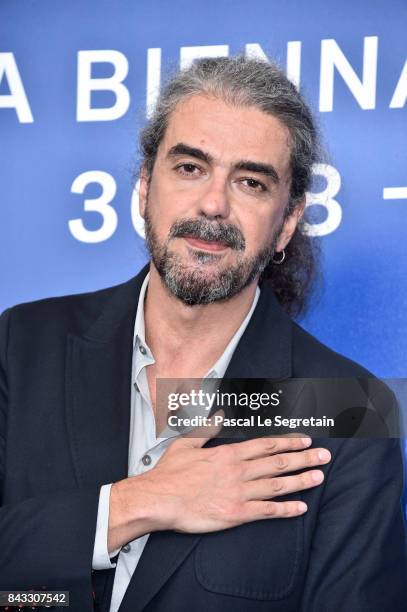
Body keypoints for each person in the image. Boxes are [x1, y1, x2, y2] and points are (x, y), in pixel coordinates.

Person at [0, 56, 405, 612]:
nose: (214, 204)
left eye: (250, 181)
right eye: (190, 168)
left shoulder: (346, 408)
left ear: (287, 221)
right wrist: (134, 504)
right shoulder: (23, 345)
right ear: (145, 186)